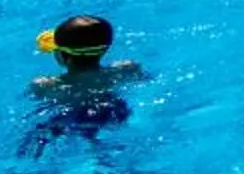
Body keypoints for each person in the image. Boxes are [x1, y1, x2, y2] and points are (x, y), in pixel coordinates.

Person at [19, 15, 149, 155]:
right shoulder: (125, 70)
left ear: (62, 56)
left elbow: (32, 102)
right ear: (105, 50)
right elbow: (144, 79)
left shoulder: (45, 85)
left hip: (72, 118)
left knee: (39, 136)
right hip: (113, 111)